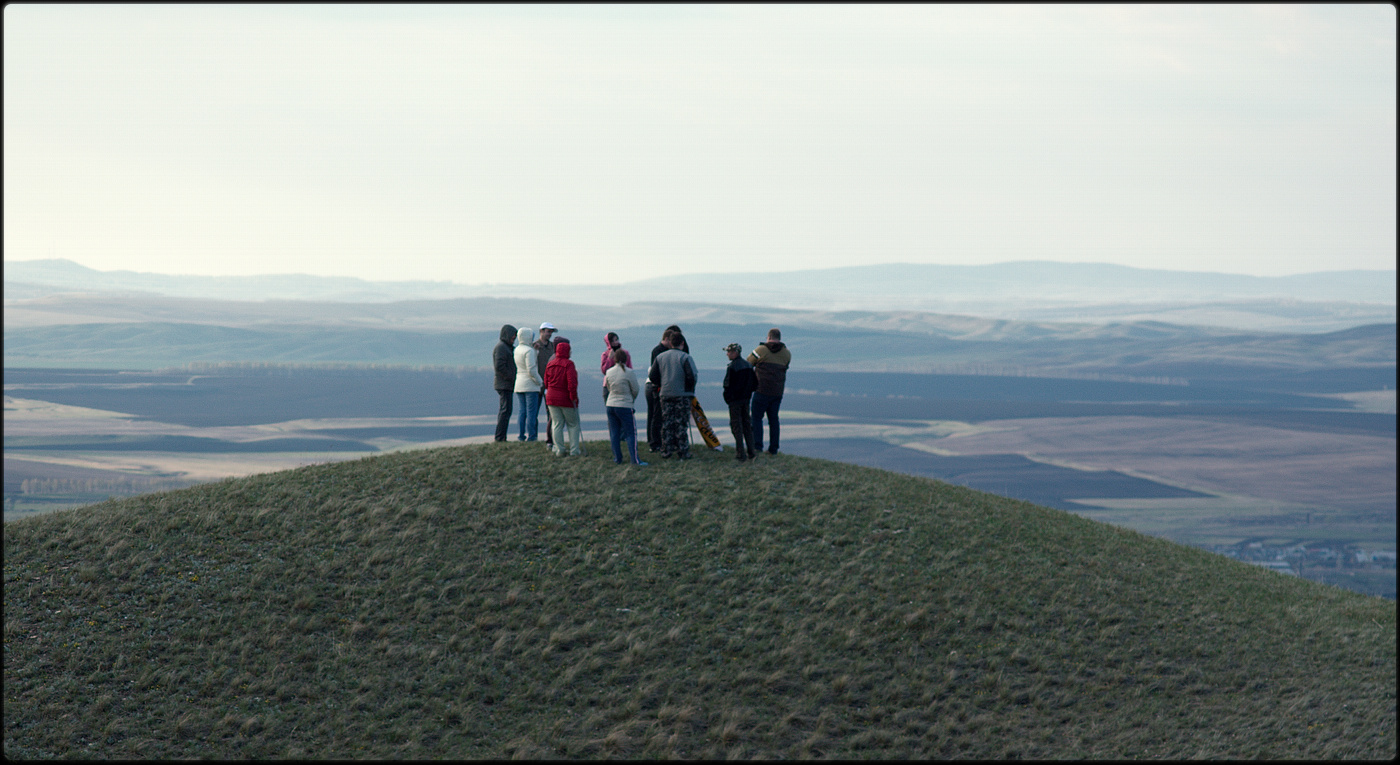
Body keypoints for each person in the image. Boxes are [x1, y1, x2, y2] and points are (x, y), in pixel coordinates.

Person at [647, 330, 699, 460]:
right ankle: (683, 452)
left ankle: (666, 451)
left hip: (665, 394)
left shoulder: (660, 357)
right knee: (681, 423)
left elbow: (652, 376)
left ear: (670, 343)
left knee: (667, 423)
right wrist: (689, 389)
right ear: (682, 343)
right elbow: (691, 376)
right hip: (682, 394)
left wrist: (663, 383)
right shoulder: (685, 357)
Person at [748, 327, 791, 455]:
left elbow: (748, 363)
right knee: (773, 420)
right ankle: (773, 449)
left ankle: (757, 446)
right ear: (779, 338)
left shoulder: (760, 350)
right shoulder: (787, 354)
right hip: (777, 392)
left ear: (768, 337)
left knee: (756, 418)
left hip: (761, 389)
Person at [604, 347, 647, 466]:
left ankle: (617, 458)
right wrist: (630, 399)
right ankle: (635, 460)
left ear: (615, 359)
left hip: (611, 404)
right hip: (625, 405)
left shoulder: (609, 372)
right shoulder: (629, 372)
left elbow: (608, 387)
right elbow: (635, 389)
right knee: (630, 433)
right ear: (626, 359)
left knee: (614, 433)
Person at [543, 339, 583, 456]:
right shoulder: (569, 364)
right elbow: (572, 383)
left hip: (551, 398)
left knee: (556, 424)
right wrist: (574, 397)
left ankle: (559, 449)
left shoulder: (550, 364)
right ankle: (574, 450)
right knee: (573, 424)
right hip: (566, 398)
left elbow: (546, 382)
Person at [721, 342, 757, 461]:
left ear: (735, 353)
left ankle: (740, 454)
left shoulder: (732, 367)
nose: (727, 354)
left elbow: (727, 386)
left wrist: (729, 399)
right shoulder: (748, 366)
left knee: (736, 426)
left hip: (735, 402)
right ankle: (752, 451)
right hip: (746, 400)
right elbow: (755, 384)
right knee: (747, 425)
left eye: (729, 352)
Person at [644, 327, 674, 452]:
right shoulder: (658, 351)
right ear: (666, 339)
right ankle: (654, 441)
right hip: (657, 387)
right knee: (655, 415)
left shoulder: (662, 350)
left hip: (659, 386)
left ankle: (656, 441)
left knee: (655, 415)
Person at [513, 327, 543, 441]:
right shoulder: (529, 351)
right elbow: (531, 369)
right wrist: (540, 382)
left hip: (519, 383)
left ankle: (521, 435)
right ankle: (532, 436)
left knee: (522, 411)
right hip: (530, 384)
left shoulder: (517, 349)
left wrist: (534, 351)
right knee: (531, 412)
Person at [534, 322, 559, 450]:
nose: (549, 334)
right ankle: (533, 437)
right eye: (547, 331)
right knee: (534, 413)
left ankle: (551, 439)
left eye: (550, 332)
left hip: (550, 384)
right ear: (541, 331)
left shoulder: (553, 347)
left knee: (551, 414)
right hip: (537, 383)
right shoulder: (534, 346)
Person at [492, 323, 518, 442]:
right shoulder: (502, 347)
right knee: (505, 411)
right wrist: (512, 377)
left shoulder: (505, 347)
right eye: (513, 336)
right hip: (504, 384)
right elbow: (499, 366)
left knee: (506, 411)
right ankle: (500, 438)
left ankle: (501, 437)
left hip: (506, 384)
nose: (514, 338)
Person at [600, 331, 631, 405]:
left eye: (617, 340)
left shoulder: (625, 353)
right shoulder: (605, 354)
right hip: (608, 385)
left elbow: (629, 368)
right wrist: (609, 359)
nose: (616, 342)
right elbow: (604, 371)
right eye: (613, 340)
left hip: (622, 383)